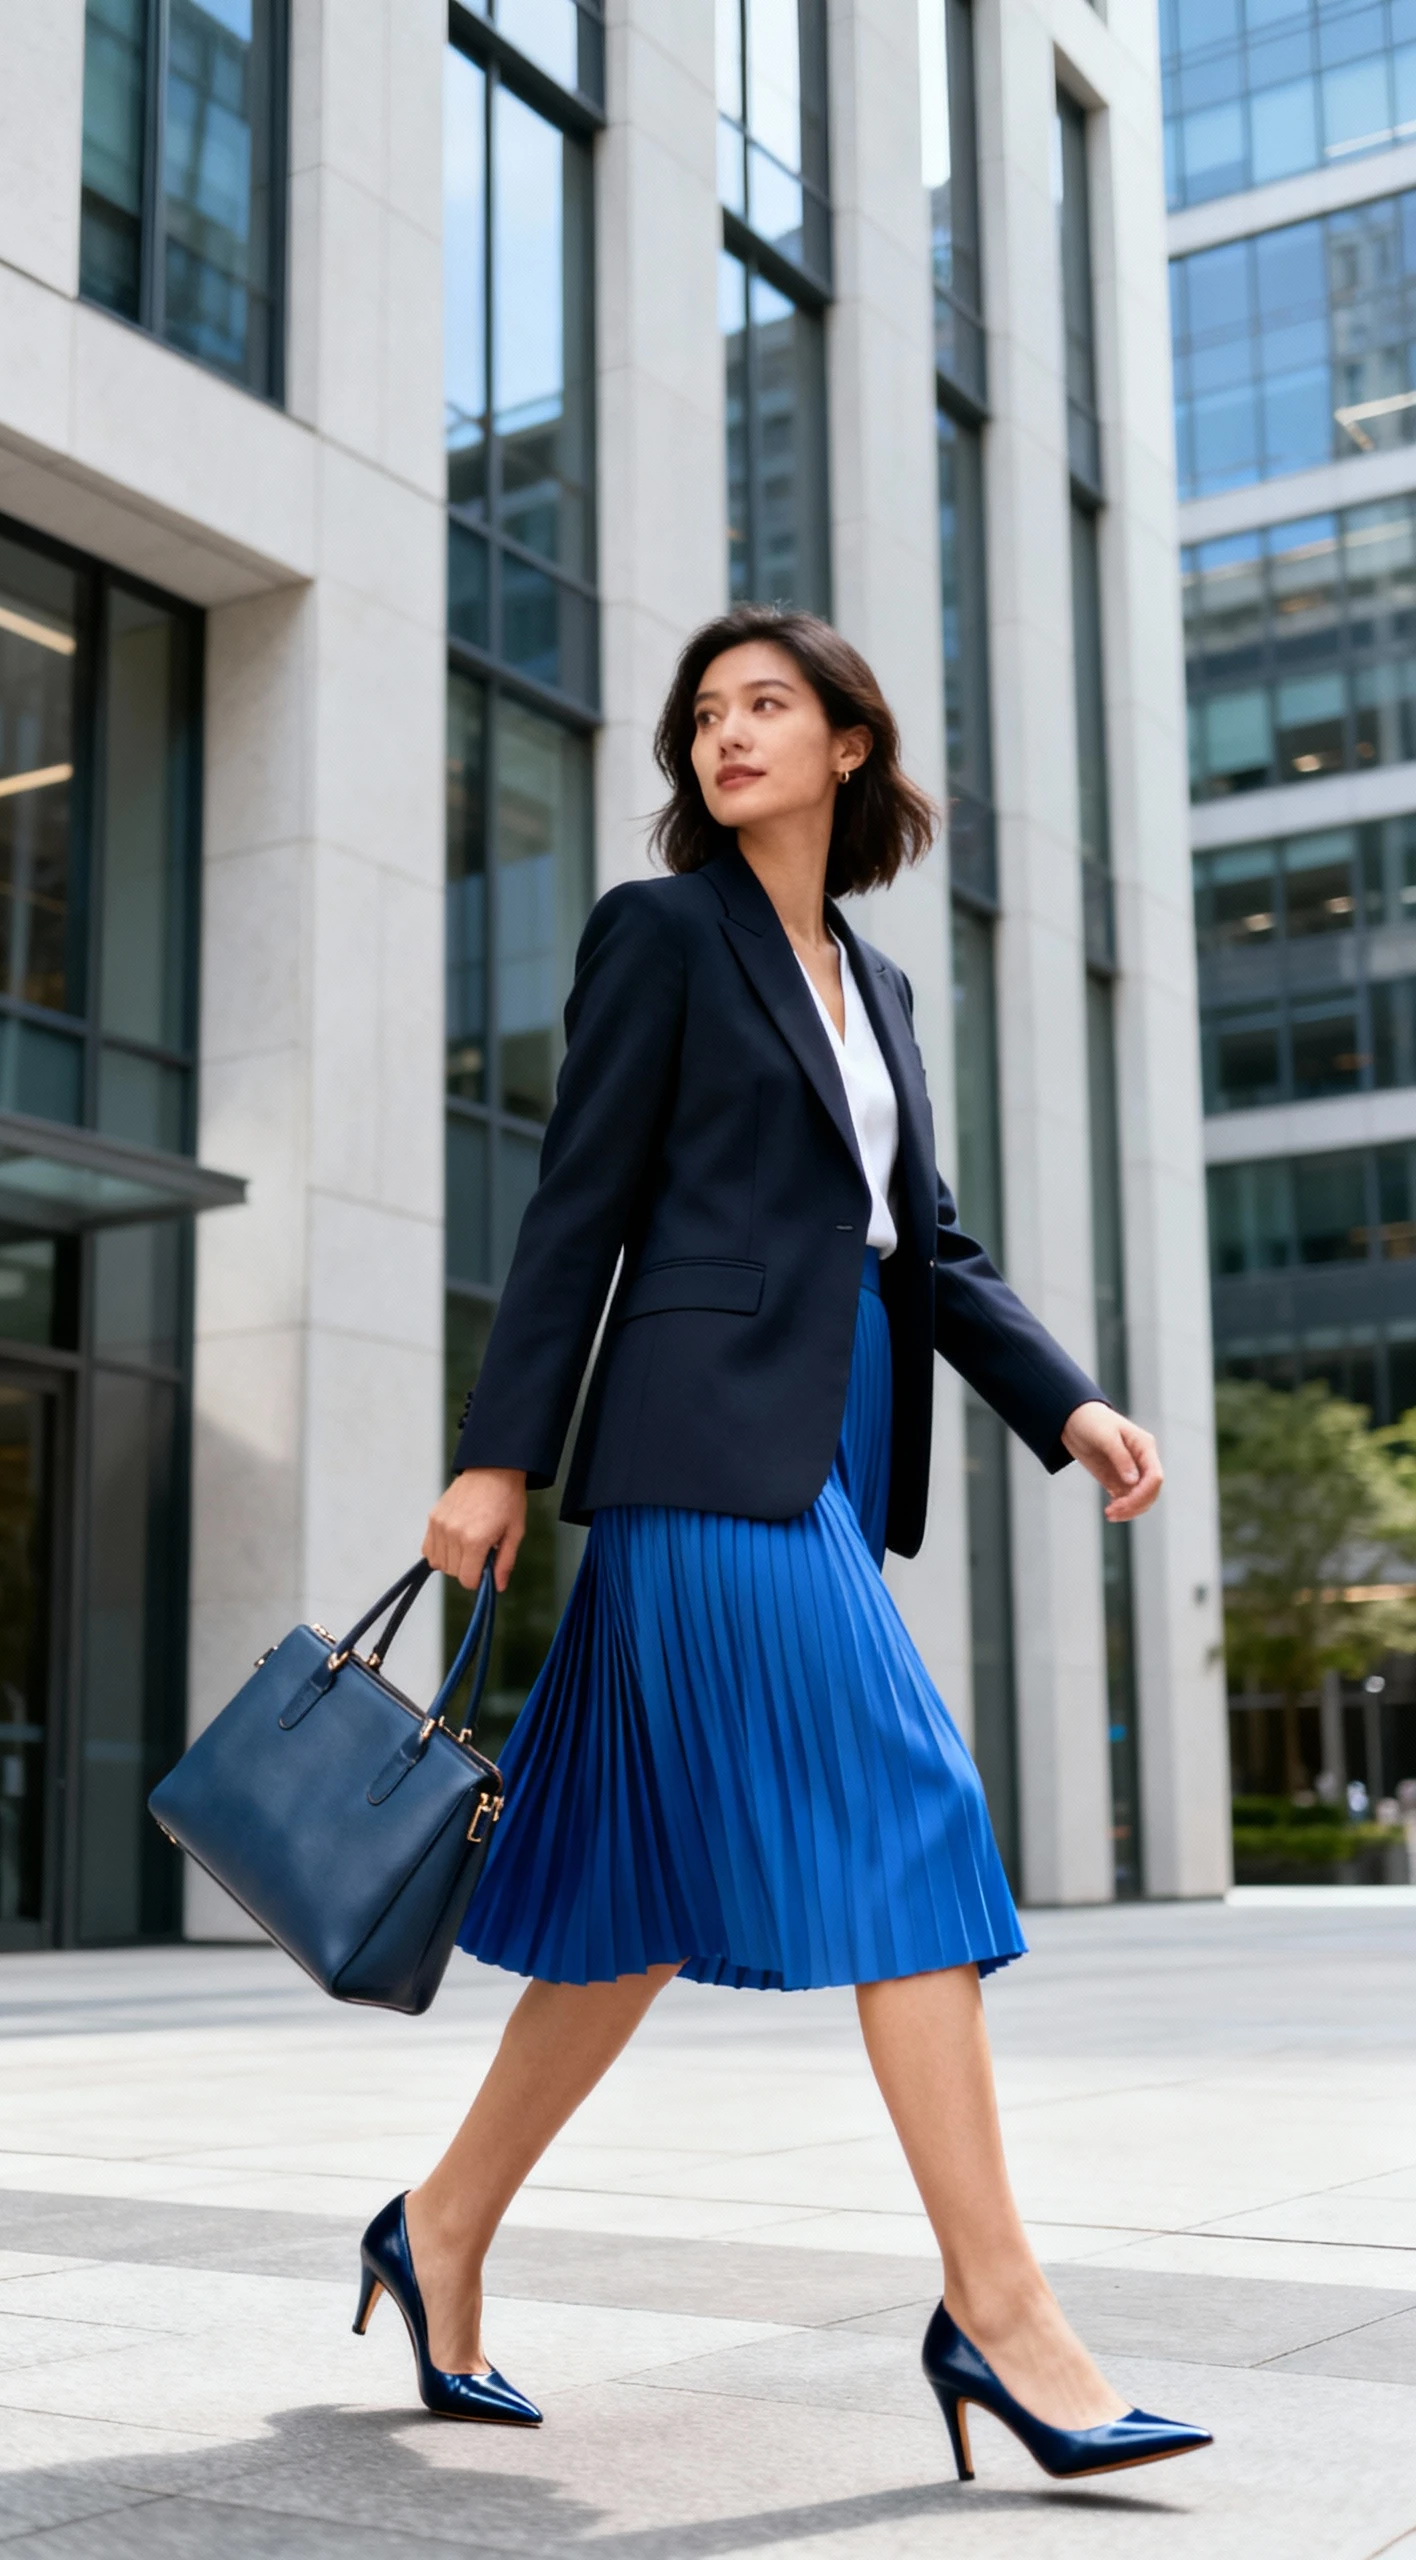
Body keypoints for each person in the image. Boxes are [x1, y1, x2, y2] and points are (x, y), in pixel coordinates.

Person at [352, 606, 1212, 2482]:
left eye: (769, 708)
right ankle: (1003, 2321)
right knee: (916, 1810)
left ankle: (433, 2233)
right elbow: (576, 1207)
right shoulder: (661, 937)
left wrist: (1066, 1401)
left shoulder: (878, 988)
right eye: (708, 714)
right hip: (692, 1453)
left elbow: (933, 1245)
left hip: (819, 1448)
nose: (728, 734)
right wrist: (497, 1462)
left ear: (846, 746)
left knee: (625, 1906)